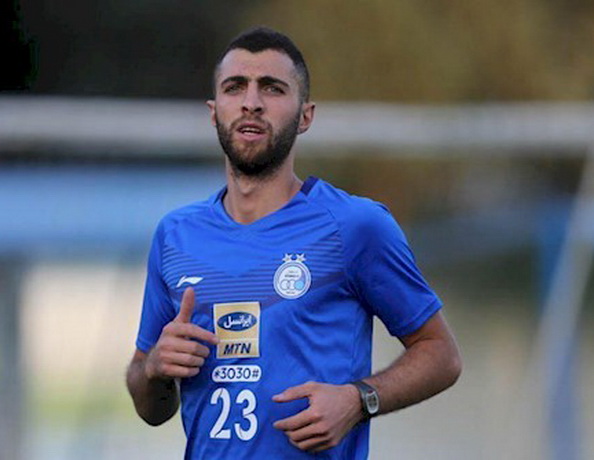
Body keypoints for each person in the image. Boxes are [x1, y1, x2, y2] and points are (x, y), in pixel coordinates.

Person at [126, 27, 462, 459]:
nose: (251, 102)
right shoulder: (176, 235)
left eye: (272, 88)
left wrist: (359, 400)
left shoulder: (355, 226)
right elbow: (152, 408)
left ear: (306, 115)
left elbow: (440, 355)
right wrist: (154, 369)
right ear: (214, 111)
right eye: (235, 87)